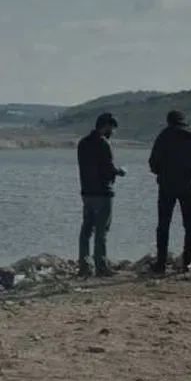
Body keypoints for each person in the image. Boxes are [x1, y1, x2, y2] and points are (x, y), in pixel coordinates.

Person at [148, 109, 191, 273]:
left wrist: (161, 173)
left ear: (169, 121)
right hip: (189, 187)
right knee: (190, 225)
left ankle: (161, 264)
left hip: (167, 186)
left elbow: (153, 163)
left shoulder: (164, 136)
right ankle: (187, 263)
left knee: (163, 225)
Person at [76, 112, 126, 277]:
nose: (113, 132)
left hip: (86, 192)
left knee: (86, 230)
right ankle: (101, 267)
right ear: (106, 126)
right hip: (103, 192)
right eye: (112, 128)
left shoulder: (82, 143)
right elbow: (109, 167)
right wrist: (121, 171)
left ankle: (84, 265)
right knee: (101, 231)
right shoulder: (103, 143)